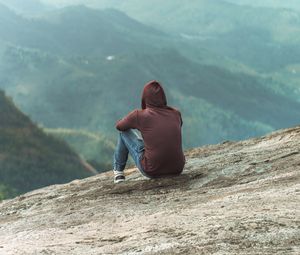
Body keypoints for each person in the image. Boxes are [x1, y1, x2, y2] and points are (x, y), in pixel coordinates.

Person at [113, 80, 185, 183]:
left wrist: (131, 120)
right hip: (177, 169)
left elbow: (119, 127)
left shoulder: (139, 115)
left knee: (124, 133)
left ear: (145, 98)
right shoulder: (176, 114)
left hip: (152, 170)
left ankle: (118, 173)